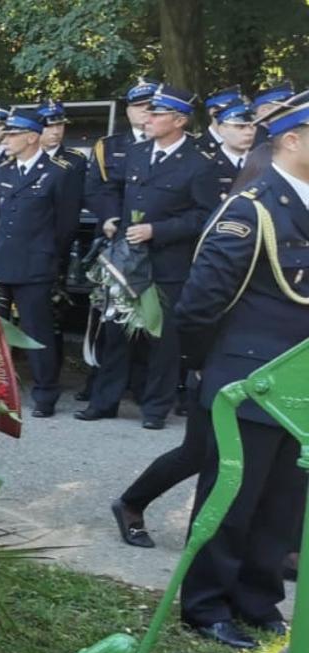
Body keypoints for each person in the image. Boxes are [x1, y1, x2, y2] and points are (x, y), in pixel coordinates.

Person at [173, 87, 309, 650]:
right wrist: (211, 369)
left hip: (297, 387)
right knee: (231, 500)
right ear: (292, 140)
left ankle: (257, 600)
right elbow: (199, 306)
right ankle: (205, 606)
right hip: (248, 382)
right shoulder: (251, 208)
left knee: (282, 505)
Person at [79, 85, 235, 430]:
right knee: (116, 333)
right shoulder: (136, 153)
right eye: (147, 112)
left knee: (163, 340)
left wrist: (158, 230)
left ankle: (155, 408)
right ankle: (104, 402)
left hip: (168, 263)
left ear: (179, 121)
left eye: (156, 113)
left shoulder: (201, 163)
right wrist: (112, 218)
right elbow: (116, 192)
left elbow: (205, 216)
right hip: (128, 260)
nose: (147, 119)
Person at [0, 106, 79, 417]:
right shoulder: (3, 170)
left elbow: (65, 225)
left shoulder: (57, 172)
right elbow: (0, 216)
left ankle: (45, 394)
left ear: (31, 137)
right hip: (1, 261)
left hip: (35, 263)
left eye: (12, 134)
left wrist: (48, 255)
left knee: (37, 332)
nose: (5, 139)